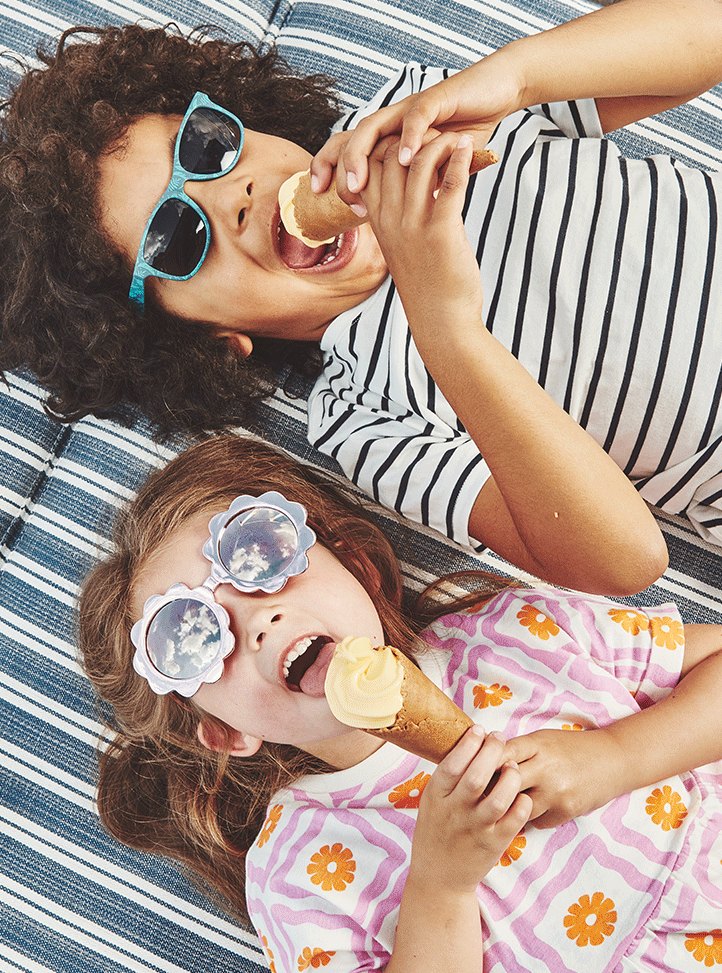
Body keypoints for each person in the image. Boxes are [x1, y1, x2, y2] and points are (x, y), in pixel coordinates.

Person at [78, 434, 722, 973]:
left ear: (358, 565)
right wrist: (442, 884)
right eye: (190, 637)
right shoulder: (297, 870)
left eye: (260, 553)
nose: (256, 621)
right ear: (221, 732)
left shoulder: (513, 634)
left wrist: (619, 754)